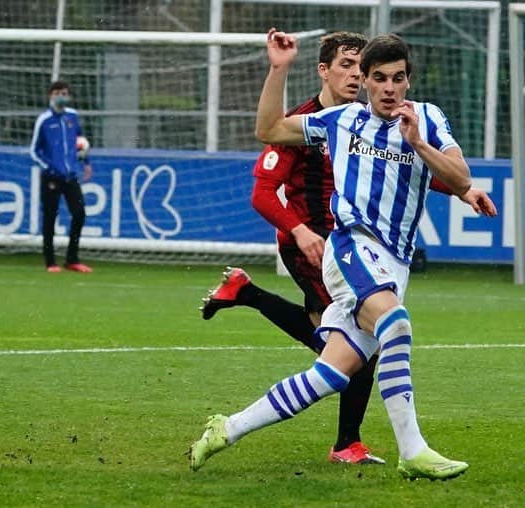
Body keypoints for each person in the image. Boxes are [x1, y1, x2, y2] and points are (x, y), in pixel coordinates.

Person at [188, 29, 497, 481]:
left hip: (394, 261)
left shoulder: (428, 119)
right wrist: (279, 68)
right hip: (350, 247)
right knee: (396, 323)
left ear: (408, 80)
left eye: (396, 78)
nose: (388, 88)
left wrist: (421, 146)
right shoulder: (342, 120)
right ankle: (412, 450)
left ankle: (226, 429)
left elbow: (461, 174)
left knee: (330, 375)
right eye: (378, 78)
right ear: (367, 82)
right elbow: (268, 128)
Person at [201, 31, 385, 465]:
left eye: (361, 69)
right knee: (361, 341)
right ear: (323, 70)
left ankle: (246, 293)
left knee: (337, 347)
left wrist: (459, 187)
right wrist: (301, 232)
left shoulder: (366, 121)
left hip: (347, 249)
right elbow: (262, 192)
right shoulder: (303, 124)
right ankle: (347, 445)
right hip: (311, 249)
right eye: (346, 66)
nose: (355, 76)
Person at [29, 80, 93, 273]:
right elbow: (34, 150)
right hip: (51, 176)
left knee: (79, 214)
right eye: (57, 93)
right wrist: (48, 166)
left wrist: (85, 162)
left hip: (70, 175)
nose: (61, 96)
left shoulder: (73, 116)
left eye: (64, 93)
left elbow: (80, 141)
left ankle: (72, 259)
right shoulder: (44, 120)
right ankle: (50, 262)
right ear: (51, 96)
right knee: (50, 217)